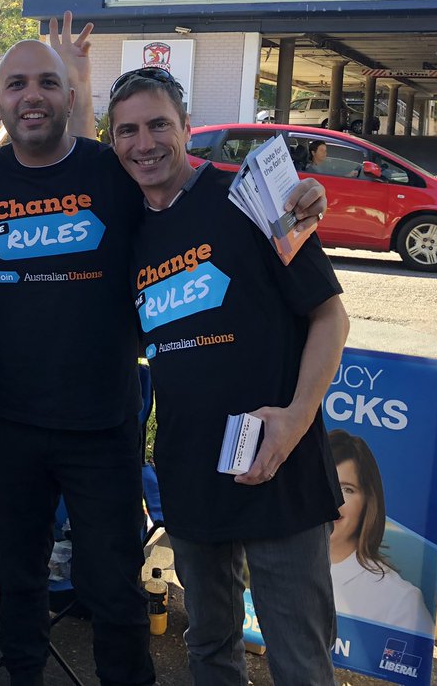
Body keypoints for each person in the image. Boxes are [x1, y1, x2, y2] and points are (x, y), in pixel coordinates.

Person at [0, 16, 331, 685]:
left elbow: (205, 193)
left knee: (112, 589)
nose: (32, 95)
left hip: (102, 426)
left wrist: (300, 195)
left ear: (70, 99)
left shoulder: (115, 171)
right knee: (19, 584)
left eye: (48, 82)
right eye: (17, 82)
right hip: (8, 424)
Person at [106, 67, 350, 685]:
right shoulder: (126, 229)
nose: (144, 143)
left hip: (280, 466)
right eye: (127, 130)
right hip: (191, 470)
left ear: (187, 128)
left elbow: (330, 317)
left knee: (299, 657)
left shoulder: (258, 198)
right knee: (210, 648)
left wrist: (294, 422)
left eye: (159, 124)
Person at [328, 429, 435, 635]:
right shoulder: (275, 568)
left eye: (347, 489)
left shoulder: (401, 602)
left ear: (368, 502)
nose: (331, 500)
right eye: (323, 483)